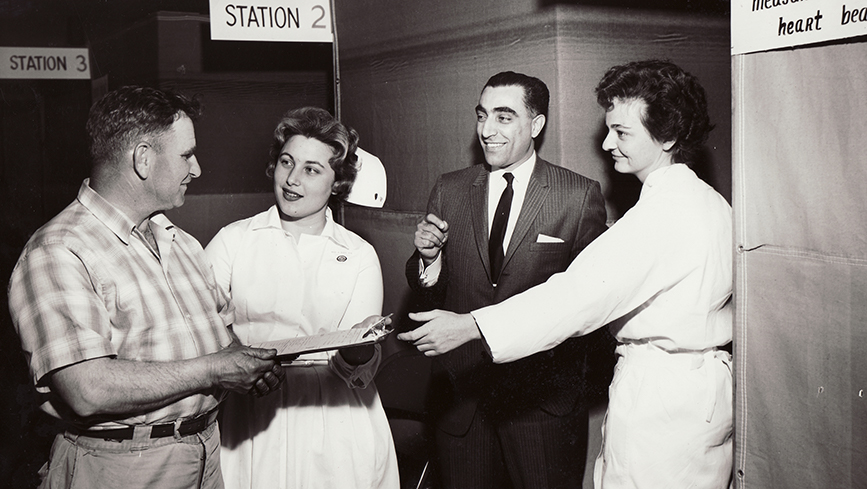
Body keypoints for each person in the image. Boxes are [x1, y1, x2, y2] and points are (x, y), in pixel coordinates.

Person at [399, 59, 733, 489]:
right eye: (609, 128)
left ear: (667, 136)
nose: (608, 142)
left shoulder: (659, 214)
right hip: (695, 402)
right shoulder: (710, 203)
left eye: (622, 132)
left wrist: (472, 326)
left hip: (662, 407)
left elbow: (575, 296)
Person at [7, 86, 284, 489]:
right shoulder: (58, 250)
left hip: (205, 451)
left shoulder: (181, 243)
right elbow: (87, 389)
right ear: (142, 158)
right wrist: (215, 371)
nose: (197, 169)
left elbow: (220, 341)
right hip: (120, 466)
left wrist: (248, 365)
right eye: (186, 155)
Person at [405, 71, 613, 489]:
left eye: (503, 117)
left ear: (536, 125)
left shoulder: (577, 195)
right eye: (482, 116)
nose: (486, 130)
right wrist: (429, 261)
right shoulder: (450, 189)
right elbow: (427, 287)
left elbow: (594, 303)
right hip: (463, 403)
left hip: (540, 407)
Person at [205, 106, 399, 489]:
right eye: (286, 162)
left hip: (333, 417)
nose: (292, 179)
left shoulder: (358, 254)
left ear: (337, 182)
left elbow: (356, 368)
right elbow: (197, 327)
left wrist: (361, 347)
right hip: (252, 414)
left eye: (312, 169)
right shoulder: (234, 240)